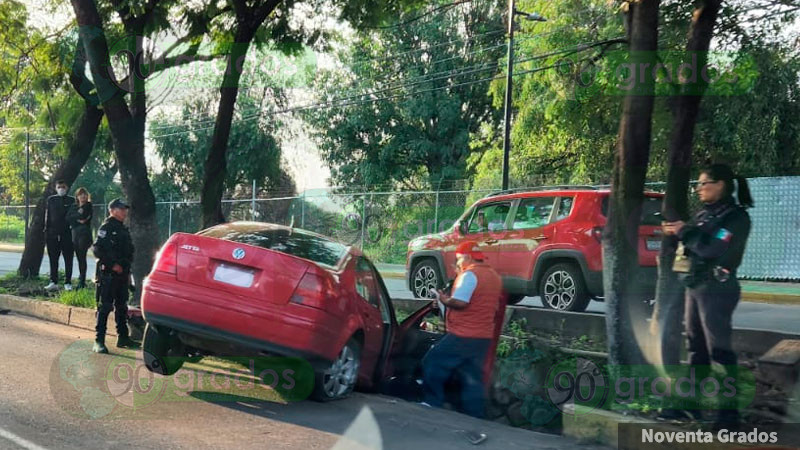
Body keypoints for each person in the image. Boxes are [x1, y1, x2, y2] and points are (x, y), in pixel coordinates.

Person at [662, 163, 753, 426]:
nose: (698, 188)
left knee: (719, 351)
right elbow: (692, 244)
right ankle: (691, 406)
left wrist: (684, 231)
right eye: (698, 183)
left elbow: (712, 249)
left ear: (720, 185)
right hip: (695, 286)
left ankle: (729, 415)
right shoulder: (705, 214)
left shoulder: (735, 218)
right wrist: (677, 233)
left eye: (704, 183)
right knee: (696, 349)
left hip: (717, 289)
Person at [422, 240, 504, 419]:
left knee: (433, 361)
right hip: (483, 337)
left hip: (464, 334)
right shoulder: (494, 276)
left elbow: (460, 302)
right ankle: (474, 416)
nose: (457, 264)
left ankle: (431, 403)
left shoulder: (469, 275)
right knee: (472, 377)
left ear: (468, 257)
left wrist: (443, 299)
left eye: (459, 259)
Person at [92, 198, 138, 353]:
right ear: (112, 210)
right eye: (121, 209)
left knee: (121, 306)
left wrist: (125, 269)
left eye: (125, 209)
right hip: (109, 274)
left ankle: (123, 337)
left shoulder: (123, 228)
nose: (124, 211)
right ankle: (99, 341)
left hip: (122, 274)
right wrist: (113, 265)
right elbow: (97, 250)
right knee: (105, 307)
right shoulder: (107, 227)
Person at [44, 180, 75, 291]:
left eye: (63, 187)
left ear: (67, 188)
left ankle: (68, 282)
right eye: (59, 187)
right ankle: (53, 281)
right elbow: (48, 216)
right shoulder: (51, 200)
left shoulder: (72, 200)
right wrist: (47, 231)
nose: (61, 189)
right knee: (53, 259)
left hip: (67, 234)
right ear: (56, 188)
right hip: (52, 234)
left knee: (68, 259)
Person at [67, 188, 93, 289]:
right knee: (78, 257)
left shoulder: (88, 206)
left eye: (85, 195)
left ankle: (82, 281)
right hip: (75, 234)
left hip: (84, 234)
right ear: (77, 196)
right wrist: (78, 218)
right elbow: (68, 217)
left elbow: (84, 216)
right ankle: (80, 277)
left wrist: (76, 217)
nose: (83, 196)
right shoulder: (74, 206)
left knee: (82, 257)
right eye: (81, 195)